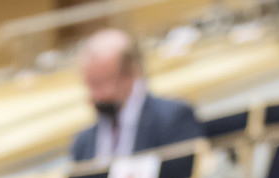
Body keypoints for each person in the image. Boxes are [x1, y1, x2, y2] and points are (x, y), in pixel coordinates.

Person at [70, 28, 203, 162]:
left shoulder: (173, 119)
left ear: (130, 74)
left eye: (101, 83)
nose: (94, 96)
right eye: (90, 85)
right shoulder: (83, 143)